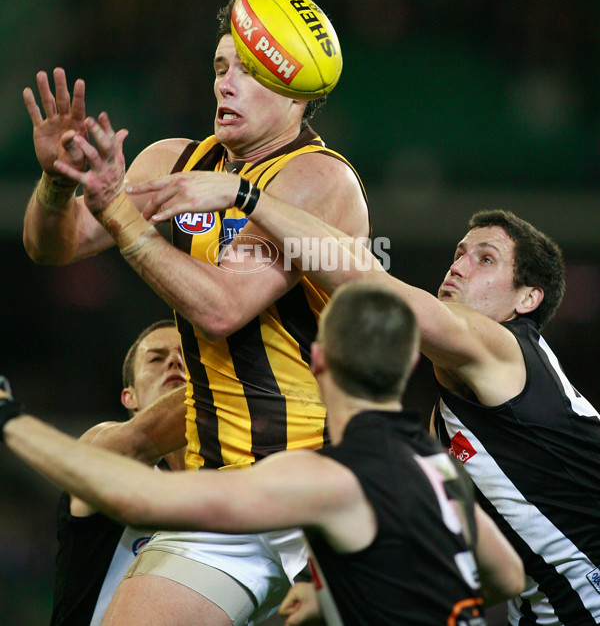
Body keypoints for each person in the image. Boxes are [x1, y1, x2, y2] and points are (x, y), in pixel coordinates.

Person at [21, 0, 370, 625]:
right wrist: (55, 184)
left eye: (248, 72)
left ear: (295, 93)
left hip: (322, 490)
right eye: (219, 68)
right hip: (224, 497)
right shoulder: (174, 161)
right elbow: (54, 245)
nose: (225, 85)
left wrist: (121, 214)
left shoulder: (317, 181)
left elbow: (222, 308)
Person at [131, 175, 600, 626]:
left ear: (528, 299)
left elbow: (369, 284)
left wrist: (245, 195)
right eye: (459, 253)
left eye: (486, 259)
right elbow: (494, 567)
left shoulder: (505, 348)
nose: (458, 265)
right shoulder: (449, 421)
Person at [0, 281, 525, 626]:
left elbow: (142, 497)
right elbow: (507, 575)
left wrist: (12, 421)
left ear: (315, 361)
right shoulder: (433, 466)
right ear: (408, 364)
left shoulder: (326, 477)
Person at [51, 319, 187, 626]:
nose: (176, 361)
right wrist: (229, 383)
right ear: (130, 397)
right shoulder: (103, 446)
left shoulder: (229, 484)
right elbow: (136, 442)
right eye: (156, 358)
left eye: (187, 355)